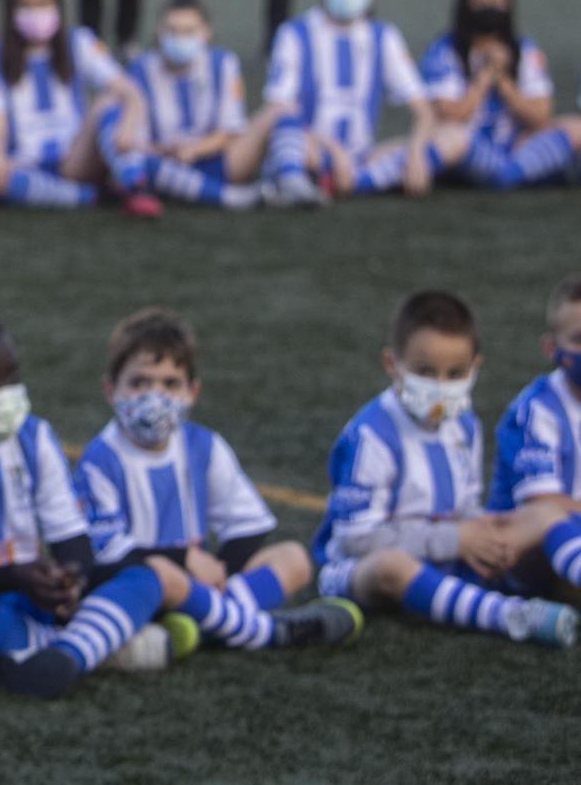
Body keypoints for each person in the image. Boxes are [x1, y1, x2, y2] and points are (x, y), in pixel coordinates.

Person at [0, 306, 247, 699]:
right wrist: (17, 575)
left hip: (28, 592)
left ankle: (57, 654)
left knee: (144, 573)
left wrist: (68, 579)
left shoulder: (35, 437)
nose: (3, 396)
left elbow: (71, 535)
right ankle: (95, 644)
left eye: (11, 378)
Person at [312, 290, 578, 647]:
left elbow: (465, 505)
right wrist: (457, 539)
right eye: (425, 372)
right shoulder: (370, 436)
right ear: (393, 364)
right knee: (389, 567)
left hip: (452, 552)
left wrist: (481, 531)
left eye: (455, 373)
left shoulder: (465, 424)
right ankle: (508, 616)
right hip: (361, 569)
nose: (440, 386)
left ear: (475, 369)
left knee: (545, 514)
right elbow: (357, 540)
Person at [75, 309, 341, 640]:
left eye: (170, 384)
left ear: (192, 392)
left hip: (197, 587)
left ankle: (207, 621)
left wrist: (217, 574)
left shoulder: (205, 446)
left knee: (294, 559)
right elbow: (106, 556)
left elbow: (247, 526)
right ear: (111, 389)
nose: (154, 397)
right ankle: (251, 628)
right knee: (161, 574)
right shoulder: (100, 461)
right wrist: (184, 559)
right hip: (138, 583)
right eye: (139, 383)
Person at [0, 0, 160, 215]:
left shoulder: (79, 42)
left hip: (76, 158)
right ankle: (96, 197)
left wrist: (128, 126)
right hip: (25, 163)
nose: (35, 12)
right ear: (11, 11)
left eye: (43, 3)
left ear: (58, 6)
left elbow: (130, 91)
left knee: (110, 102)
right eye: (26, 5)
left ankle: (136, 186)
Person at [260, 0, 432, 206]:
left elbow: (424, 110)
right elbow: (279, 106)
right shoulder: (294, 34)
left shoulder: (384, 36)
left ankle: (335, 182)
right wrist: (332, 149)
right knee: (285, 130)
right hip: (313, 148)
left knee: (435, 146)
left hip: (361, 156)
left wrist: (417, 151)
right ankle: (298, 181)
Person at [423, 0, 581, 190]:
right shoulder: (446, 50)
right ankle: (519, 174)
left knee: (576, 127)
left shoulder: (524, 50)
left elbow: (541, 116)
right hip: (469, 150)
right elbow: (450, 115)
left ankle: (512, 173)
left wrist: (505, 81)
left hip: (517, 146)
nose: (489, 5)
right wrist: (485, 77)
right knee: (451, 139)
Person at [127, 0, 272, 209]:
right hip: (163, 163)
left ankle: (292, 182)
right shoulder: (140, 70)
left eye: (189, 31)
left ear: (206, 32)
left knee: (275, 115)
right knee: (136, 161)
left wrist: (195, 149)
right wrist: (168, 151)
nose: (179, 38)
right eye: (172, 30)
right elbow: (134, 139)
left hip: (212, 159)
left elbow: (231, 129)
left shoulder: (223, 63)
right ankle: (229, 197)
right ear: (159, 32)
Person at [486, 274, 581, 596]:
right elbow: (543, 505)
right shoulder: (536, 410)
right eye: (579, 339)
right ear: (550, 348)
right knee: (548, 518)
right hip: (527, 556)